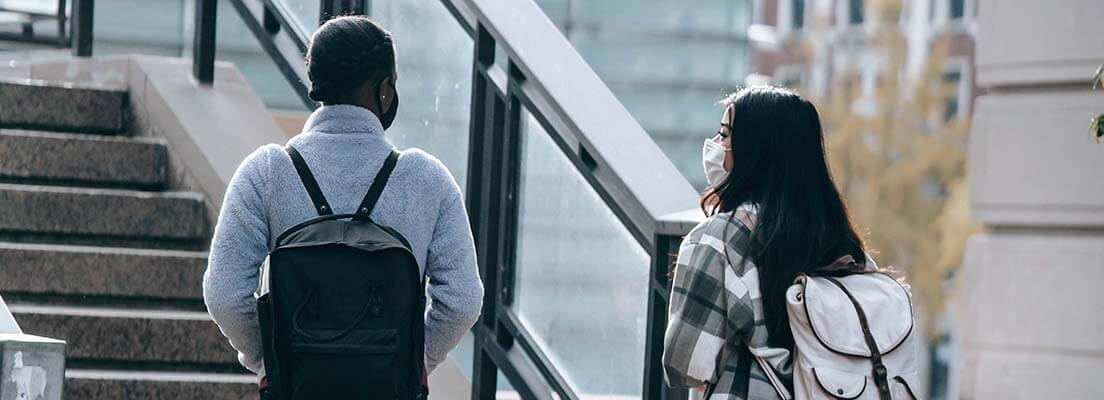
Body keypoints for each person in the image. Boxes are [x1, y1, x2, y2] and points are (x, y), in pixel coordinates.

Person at [203, 15, 483, 392]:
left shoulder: (265, 172)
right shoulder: (426, 179)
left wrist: (272, 360)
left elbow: (223, 294)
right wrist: (411, 361)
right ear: (383, 91)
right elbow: (463, 300)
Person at [662, 87, 872, 398]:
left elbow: (684, 366)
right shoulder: (844, 244)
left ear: (753, 151)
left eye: (724, 135)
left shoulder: (716, 241)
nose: (715, 146)